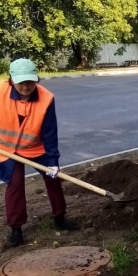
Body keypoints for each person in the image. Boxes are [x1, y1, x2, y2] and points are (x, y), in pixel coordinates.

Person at [0, 58, 79, 247]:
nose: (26, 87)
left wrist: (52, 161)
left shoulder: (46, 98)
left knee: (53, 178)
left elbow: (50, 133)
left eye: (30, 82)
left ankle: (60, 218)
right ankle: (16, 228)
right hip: (7, 149)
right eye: (21, 83)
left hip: (37, 147)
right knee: (15, 184)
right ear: (12, 80)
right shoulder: (0, 92)